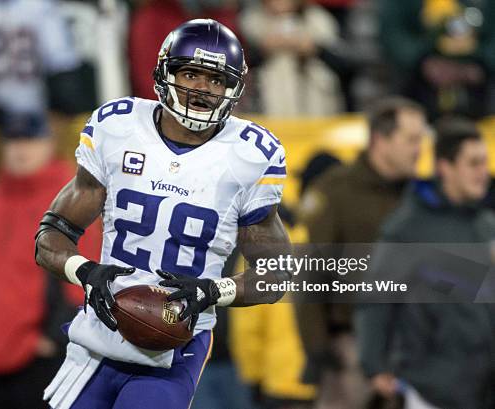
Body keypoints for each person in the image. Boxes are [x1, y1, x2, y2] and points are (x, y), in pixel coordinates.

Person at [35, 19, 293, 409]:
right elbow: (50, 237)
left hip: (178, 344)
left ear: (234, 87)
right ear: (165, 73)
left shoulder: (250, 155)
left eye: (215, 79)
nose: (202, 89)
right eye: (190, 73)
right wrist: (85, 272)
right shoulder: (118, 127)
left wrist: (213, 291)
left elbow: (276, 275)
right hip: (98, 335)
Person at [294, 97, 427, 409]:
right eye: (411, 139)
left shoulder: (422, 196)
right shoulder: (336, 191)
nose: (419, 149)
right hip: (349, 350)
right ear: (381, 140)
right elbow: (311, 273)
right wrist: (317, 347)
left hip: (415, 350)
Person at [356, 117, 495, 409]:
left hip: (483, 386)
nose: (484, 172)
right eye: (474, 163)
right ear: (445, 167)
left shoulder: (486, 225)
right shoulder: (410, 227)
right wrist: (374, 364)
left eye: (484, 163)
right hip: (431, 387)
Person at [0, 113, 102, 409]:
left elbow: (83, 274)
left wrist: (55, 338)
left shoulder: (71, 196)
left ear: (49, 144)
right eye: (13, 140)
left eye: (30, 140)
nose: (21, 149)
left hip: (42, 359)